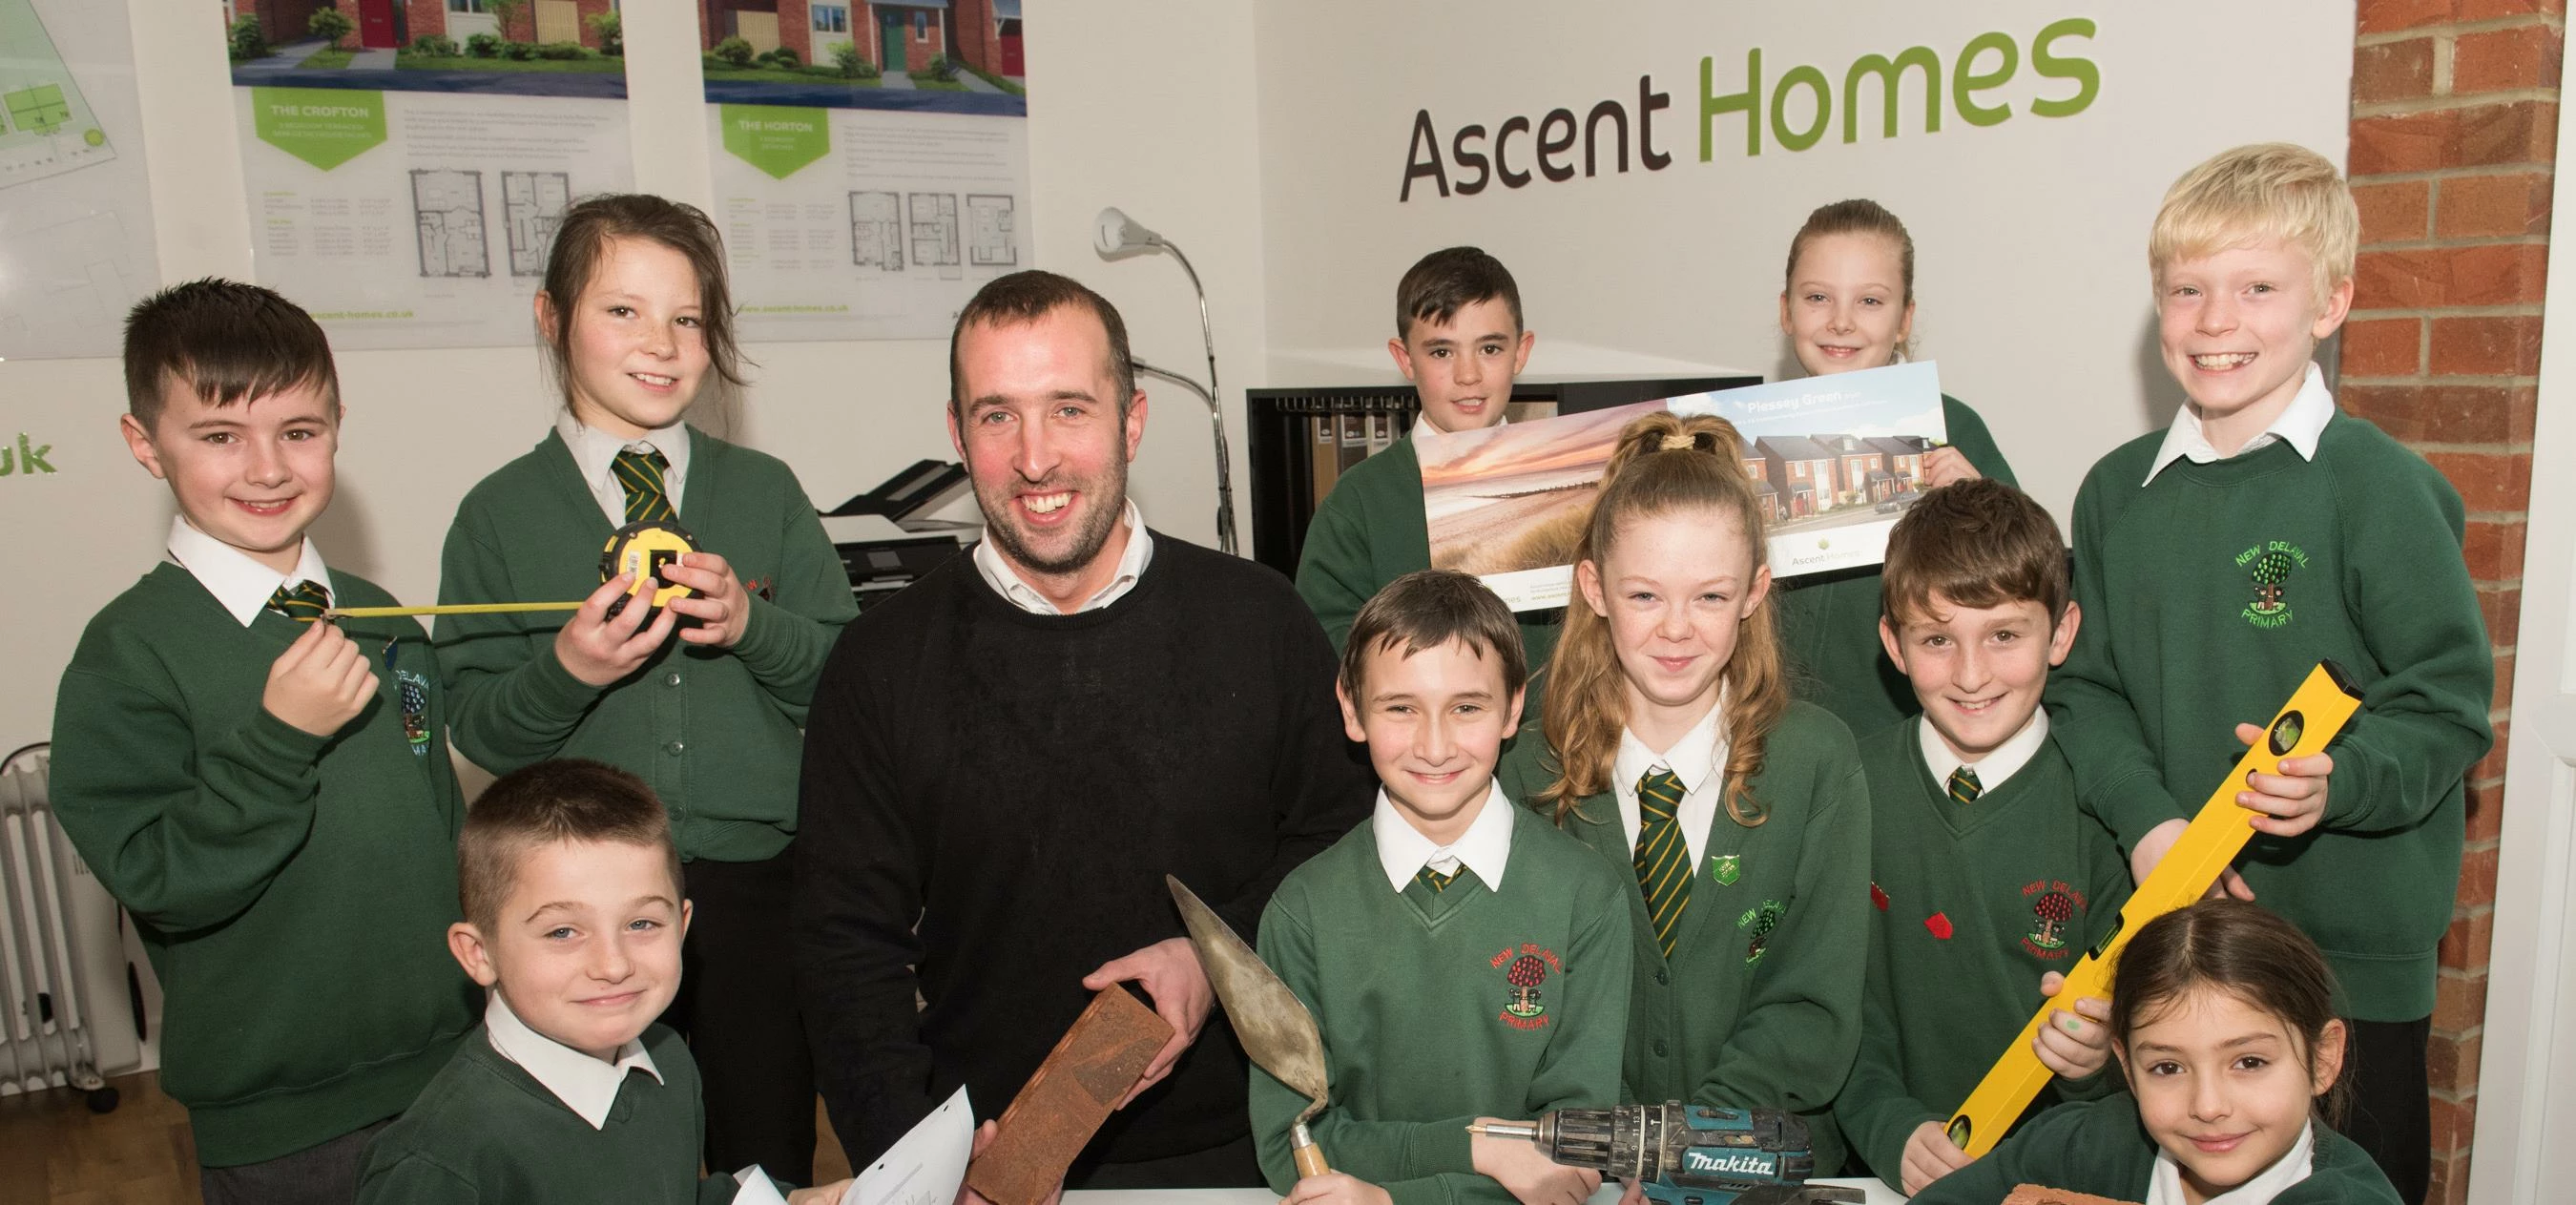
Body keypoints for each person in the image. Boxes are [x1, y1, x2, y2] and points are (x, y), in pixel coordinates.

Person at [794, 269, 1376, 1190]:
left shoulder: (1261, 622)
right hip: (993, 1165)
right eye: (997, 417)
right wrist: (916, 1166)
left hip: (1256, 1148)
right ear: (955, 432)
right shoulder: (880, 666)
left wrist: (1213, 955)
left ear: (1132, 419)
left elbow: (1346, 844)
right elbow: (844, 947)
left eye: (1069, 409)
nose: (1035, 458)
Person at [2048, 143, 2494, 1203]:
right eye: (2188, 291)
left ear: (2331, 302)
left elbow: (2446, 705)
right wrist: (2161, 833)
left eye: (2257, 289)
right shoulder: (2114, 495)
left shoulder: (2380, 488)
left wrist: (2338, 782)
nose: (2216, 321)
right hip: (2178, 935)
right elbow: (2087, 690)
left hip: (2347, 958)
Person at [434, 194, 857, 1184]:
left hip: (756, 899)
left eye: (688, 317)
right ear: (551, 318)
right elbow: (477, 721)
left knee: (763, 1153)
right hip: (584, 914)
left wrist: (756, 627)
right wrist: (566, 671)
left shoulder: (764, 491)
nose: (661, 344)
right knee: (605, 1165)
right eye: (622, 311)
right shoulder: (495, 515)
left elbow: (848, 686)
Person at [51, 279, 477, 1202]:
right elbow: (157, 876)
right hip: (280, 1123)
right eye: (218, 436)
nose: (268, 467)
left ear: (337, 427)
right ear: (145, 445)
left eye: (299, 431)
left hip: (451, 1072)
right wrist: (279, 740)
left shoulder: (383, 617)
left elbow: (438, 820)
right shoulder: (126, 654)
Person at [1500, 411, 1869, 1174]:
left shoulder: (1816, 763)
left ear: (1754, 592)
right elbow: (1515, 1006)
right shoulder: (1526, 771)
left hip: (1768, 1171)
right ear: (1594, 588)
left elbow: (1813, 1010)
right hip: (1581, 1174)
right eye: (1644, 596)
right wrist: (1605, 1152)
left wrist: (1679, 1147)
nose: (1676, 630)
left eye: (1708, 597)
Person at [1255, 570, 1631, 1205]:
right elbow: (1288, 1143)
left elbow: (1570, 1159)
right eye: (1401, 707)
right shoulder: (1302, 911)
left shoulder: (1584, 896)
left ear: (1513, 707)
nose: (1434, 745)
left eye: (1466, 707)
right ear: (1351, 708)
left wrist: (1395, 1198)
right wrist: (1478, 1144)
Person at [357, 760, 854, 1204]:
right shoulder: (442, 1162)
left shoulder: (668, 1059)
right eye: (563, 931)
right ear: (479, 953)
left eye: (642, 924)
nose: (613, 965)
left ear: (682, 928)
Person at [1830, 479, 2128, 1193]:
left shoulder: (2107, 810)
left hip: (2060, 1176)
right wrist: (1885, 1123)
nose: (1970, 675)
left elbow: (2149, 1042)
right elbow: (1830, 1003)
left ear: (2060, 632)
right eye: (1937, 638)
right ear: (1893, 646)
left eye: (2003, 634)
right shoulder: (1847, 789)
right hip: (1888, 1168)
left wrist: (2095, 1064)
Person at [1909, 899, 2402, 1205]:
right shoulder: (2085, 1143)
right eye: (2167, 1067)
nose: (2207, 1106)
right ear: (2127, 1066)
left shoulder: (2346, 1197)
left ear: (2322, 1058)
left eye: (2249, 1062)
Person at [1766, 199, 2020, 738]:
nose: (1840, 321)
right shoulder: (1744, 439)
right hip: (1764, 737)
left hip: (1902, 739)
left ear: (1905, 319)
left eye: (1870, 301)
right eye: (1817, 298)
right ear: (1786, 310)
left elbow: (2026, 602)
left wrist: (1980, 512)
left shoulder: (1955, 429)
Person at [1297, 247, 1560, 670]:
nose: (1468, 375)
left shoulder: (1570, 479)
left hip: (1558, 732)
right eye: (1442, 352)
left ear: (1521, 352)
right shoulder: (1359, 502)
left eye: (1490, 349)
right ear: (1405, 359)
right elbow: (1326, 643)